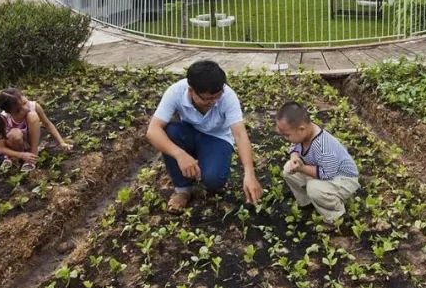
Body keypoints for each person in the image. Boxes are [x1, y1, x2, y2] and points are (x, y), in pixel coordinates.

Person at [147, 60, 262, 211]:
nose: (212, 102)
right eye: (206, 98)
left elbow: (240, 134)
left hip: (217, 138)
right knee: (170, 132)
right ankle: (182, 190)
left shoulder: (228, 97)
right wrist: (180, 154)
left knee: (213, 180)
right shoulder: (176, 92)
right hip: (189, 133)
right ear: (191, 90)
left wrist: (249, 174)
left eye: (216, 97)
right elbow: (152, 131)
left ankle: (204, 164)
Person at [276, 102, 360, 225]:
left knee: (314, 189)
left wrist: (302, 168)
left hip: (343, 178)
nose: (285, 138)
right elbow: (294, 146)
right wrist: (294, 156)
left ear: (301, 129)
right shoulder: (302, 134)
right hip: (321, 170)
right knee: (288, 169)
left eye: (287, 135)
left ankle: (336, 215)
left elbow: (327, 174)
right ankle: (307, 202)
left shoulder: (322, 146)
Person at [0, 87, 71, 171]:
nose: (25, 109)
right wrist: (21, 155)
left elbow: (48, 124)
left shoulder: (34, 106)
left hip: (28, 143)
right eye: (18, 110)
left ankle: (33, 154)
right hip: (12, 146)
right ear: (9, 112)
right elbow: (1, 148)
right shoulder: (4, 118)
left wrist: (62, 142)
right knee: (15, 133)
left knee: (33, 115)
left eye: (24, 103)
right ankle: (14, 158)